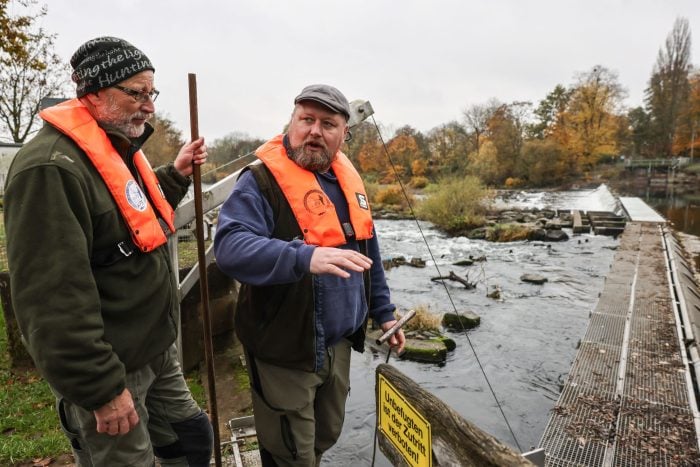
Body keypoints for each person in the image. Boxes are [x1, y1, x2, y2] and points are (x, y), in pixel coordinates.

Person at [4, 37, 214, 466]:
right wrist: (101, 389)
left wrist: (173, 176)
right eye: (136, 93)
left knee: (189, 439)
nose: (149, 107)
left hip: (154, 349)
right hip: (113, 367)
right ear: (95, 92)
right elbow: (50, 300)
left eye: (150, 93)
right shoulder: (50, 168)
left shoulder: (111, 147)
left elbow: (129, 212)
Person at [214, 84, 406, 466]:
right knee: (289, 451)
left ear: (343, 135)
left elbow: (369, 252)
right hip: (284, 346)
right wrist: (303, 256)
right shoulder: (260, 182)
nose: (315, 131)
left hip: (337, 344)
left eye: (328, 124)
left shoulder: (349, 184)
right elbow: (230, 248)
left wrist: (383, 311)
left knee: (322, 438)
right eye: (307, 120)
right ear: (292, 122)